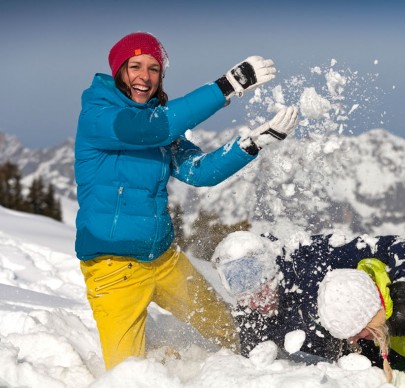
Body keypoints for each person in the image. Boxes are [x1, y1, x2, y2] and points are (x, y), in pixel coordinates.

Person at [74, 31, 299, 370]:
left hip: (163, 258)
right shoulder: (101, 116)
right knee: (127, 374)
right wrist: (228, 85)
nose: (144, 76)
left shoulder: (158, 124)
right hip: (114, 269)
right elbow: (150, 129)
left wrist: (253, 144)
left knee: (227, 331)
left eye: (153, 69)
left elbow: (198, 171)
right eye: (135, 66)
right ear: (119, 71)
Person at [211, 230, 405, 367]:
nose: (256, 304)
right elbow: (253, 368)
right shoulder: (251, 314)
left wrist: (404, 298)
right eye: (245, 299)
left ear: (274, 273)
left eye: (261, 292)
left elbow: (399, 245)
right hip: (372, 369)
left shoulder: (313, 256)